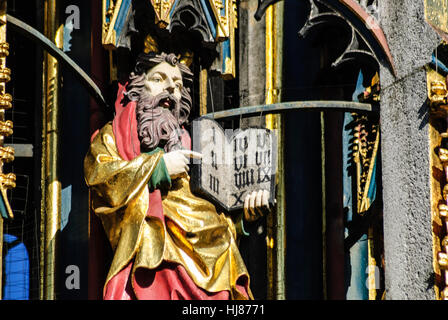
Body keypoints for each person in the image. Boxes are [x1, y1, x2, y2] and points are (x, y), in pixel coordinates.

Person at [84, 52, 270, 300]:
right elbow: (100, 176)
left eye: (178, 85)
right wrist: (158, 168)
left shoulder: (198, 145)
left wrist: (242, 220)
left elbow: (214, 224)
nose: (171, 88)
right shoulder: (116, 135)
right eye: (159, 79)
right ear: (138, 87)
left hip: (210, 277)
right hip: (154, 262)